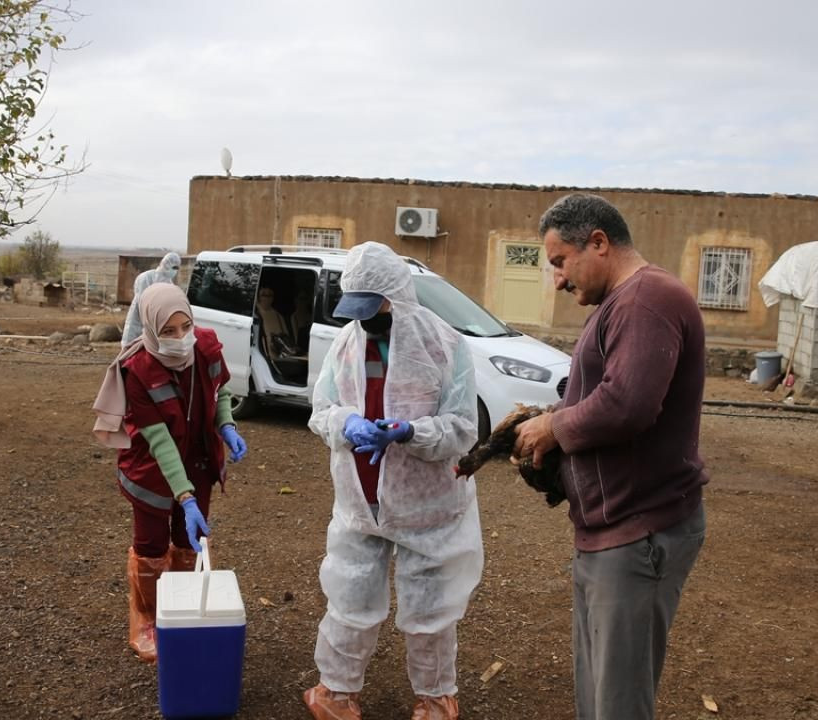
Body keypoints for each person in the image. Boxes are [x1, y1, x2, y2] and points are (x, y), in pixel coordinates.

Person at [511, 193, 708, 720]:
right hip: (612, 530)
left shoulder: (646, 299)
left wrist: (554, 426)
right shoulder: (624, 302)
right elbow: (609, 397)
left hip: (639, 532)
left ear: (597, 242)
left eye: (559, 262)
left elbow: (627, 405)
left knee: (618, 701)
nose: (556, 279)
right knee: (599, 691)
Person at [303, 242, 482, 720]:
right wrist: (347, 424)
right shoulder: (345, 344)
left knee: (431, 608)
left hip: (428, 506)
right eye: (357, 310)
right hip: (360, 500)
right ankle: (335, 692)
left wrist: (411, 432)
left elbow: (464, 429)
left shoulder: (444, 346)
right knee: (349, 595)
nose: (365, 320)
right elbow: (321, 411)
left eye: (374, 308)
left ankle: (435, 697)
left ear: (398, 299)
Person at [92, 283, 248, 663]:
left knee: (187, 541)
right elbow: (160, 442)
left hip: (198, 459)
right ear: (150, 328)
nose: (181, 338)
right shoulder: (138, 371)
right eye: (168, 331)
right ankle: (147, 618)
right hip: (152, 471)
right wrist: (185, 496)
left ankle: (180, 611)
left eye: (185, 327)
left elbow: (219, 391)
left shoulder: (206, 346)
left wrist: (226, 425)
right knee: (151, 545)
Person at [122, 251, 182, 347]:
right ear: (166, 264)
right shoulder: (146, 277)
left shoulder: (170, 285)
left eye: (177, 268)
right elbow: (142, 301)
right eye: (174, 267)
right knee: (130, 347)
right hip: (138, 318)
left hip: (156, 322)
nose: (175, 271)